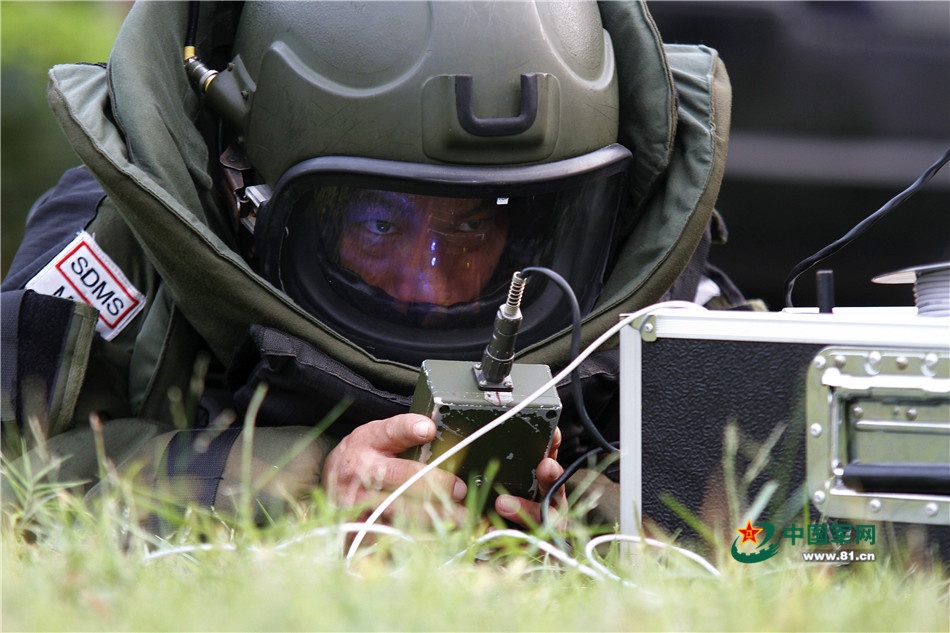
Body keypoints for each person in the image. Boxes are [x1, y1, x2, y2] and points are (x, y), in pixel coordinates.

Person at [1, 0, 750, 530]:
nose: (430, 284)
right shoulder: (131, 234)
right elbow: (20, 479)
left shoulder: (642, 274)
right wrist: (304, 483)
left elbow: (779, 517)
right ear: (246, 189)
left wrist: (585, 510)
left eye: (473, 225)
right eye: (379, 224)